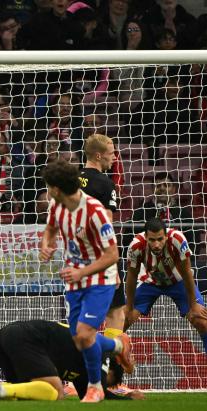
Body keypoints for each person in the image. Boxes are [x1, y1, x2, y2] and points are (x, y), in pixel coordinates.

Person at [38, 159, 133, 403]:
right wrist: (46, 245)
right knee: (78, 339)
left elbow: (113, 254)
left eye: (48, 186)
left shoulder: (95, 212)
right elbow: (50, 229)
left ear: (56, 188)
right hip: (74, 277)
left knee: (84, 334)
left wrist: (83, 272)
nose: (47, 190)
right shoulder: (56, 205)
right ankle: (118, 345)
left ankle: (95, 388)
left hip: (100, 278)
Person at [125, 217, 207, 393]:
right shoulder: (135, 246)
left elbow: (186, 273)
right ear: (145, 237)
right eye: (152, 240)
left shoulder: (178, 240)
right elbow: (131, 277)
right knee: (121, 322)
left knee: (202, 321)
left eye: (160, 239)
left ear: (165, 236)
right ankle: (103, 378)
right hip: (149, 283)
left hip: (178, 282)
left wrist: (193, 306)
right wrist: (129, 307)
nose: (156, 244)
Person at [0, 320, 142, 402]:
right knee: (56, 391)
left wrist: (121, 396)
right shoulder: (103, 353)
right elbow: (102, 391)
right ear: (110, 366)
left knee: (25, 392)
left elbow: (94, 396)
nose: (98, 381)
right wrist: (129, 398)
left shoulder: (84, 376)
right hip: (27, 337)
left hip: (7, 335)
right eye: (105, 377)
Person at [79, 134, 126, 341]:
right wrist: (112, 265)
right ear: (98, 156)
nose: (114, 157)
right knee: (115, 313)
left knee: (81, 315)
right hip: (98, 255)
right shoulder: (105, 185)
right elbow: (104, 226)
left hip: (75, 255)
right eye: (111, 153)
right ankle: (110, 361)